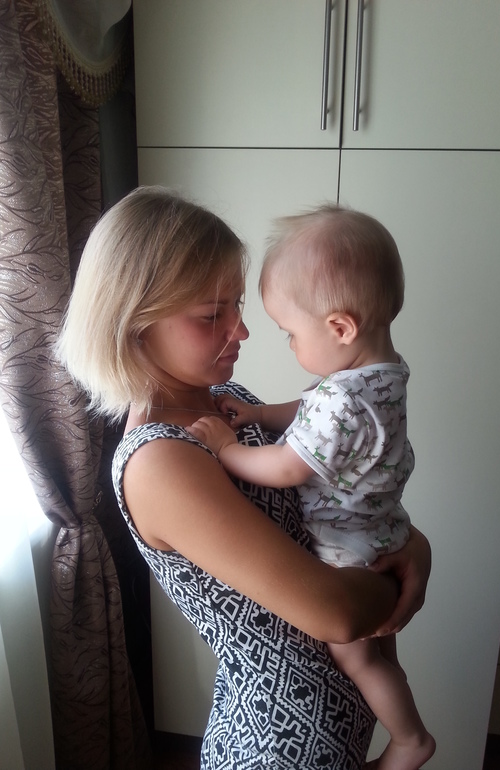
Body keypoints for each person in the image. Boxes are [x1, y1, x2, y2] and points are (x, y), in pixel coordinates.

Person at [55, 186, 432, 770]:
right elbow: (337, 614)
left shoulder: (224, 400)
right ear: (136, 326)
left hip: (336, 723)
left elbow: (326, 504)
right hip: (281, 743)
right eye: (213, 315)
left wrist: (414, 550)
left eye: (236, 304)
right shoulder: (160, 461)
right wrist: (407, 571)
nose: (242, 331)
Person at [188, 205, 435, 770]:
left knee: (358, 659)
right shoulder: (382, 374)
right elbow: (309, 416)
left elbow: (288, 466)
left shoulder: (339, 397)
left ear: (340, 327)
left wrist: (227, 448)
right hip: (383, 526)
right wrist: (257, 413)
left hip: (347, 546)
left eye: (291, 333)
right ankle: (402, 722)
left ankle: (410, 741)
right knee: (384, 651)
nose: (286, 343)